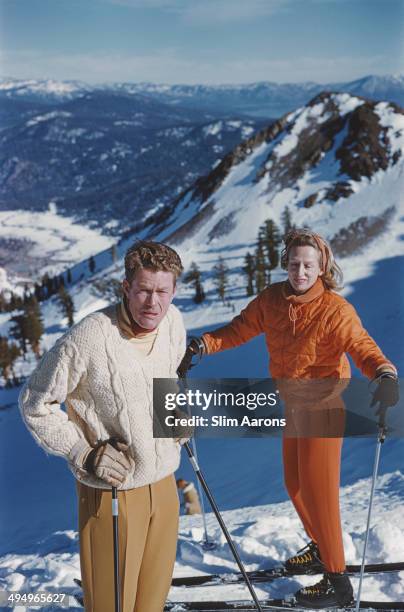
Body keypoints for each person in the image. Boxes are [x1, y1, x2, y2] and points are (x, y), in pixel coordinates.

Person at [179, 228, 399, 608]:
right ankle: (320, 547)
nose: (300, 271)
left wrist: (383, 372)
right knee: (294, 486)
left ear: (321, 267)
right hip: (293, 404)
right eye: (295, 263)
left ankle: (336, 581)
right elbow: (239, 329)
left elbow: (362, 346)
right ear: (286, 264)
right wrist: (203, 343)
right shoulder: (272, 301)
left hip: (326, 407)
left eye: (308, 265)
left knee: (321, 494)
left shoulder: (334, 309)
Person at [19, 240, 187, 612]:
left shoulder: (173, 322)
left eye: (162, 291)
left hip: (163, 483)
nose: (153, 303)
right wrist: (83, 452)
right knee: (112, 605)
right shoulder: (89, 337)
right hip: (113, 491)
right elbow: (34, 403)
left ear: (174, 290)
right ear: (126, 288)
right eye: (143, 290)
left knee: (151, 603)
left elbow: (166, 376)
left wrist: (173, 412)